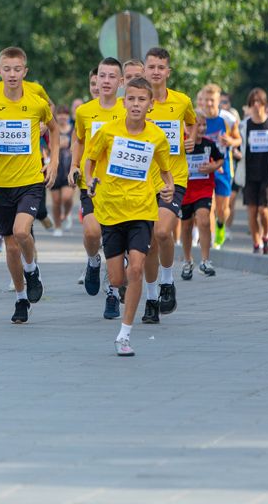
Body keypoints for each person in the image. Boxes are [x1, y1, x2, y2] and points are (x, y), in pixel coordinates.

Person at [83, 77, 174, 356]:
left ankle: (124, 334)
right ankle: (107, 268)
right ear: (124, 103)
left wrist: (168, 187)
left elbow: (165, 170)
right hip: (110, 211)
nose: (136, 104)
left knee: (136, 269)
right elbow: (90, 160)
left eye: (141, 100)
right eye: (131, 99)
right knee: (117, 279)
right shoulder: (108, 132)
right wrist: (89, 181)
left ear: (150, 104)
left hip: (142, 210)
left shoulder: (156, 137)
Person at [0, 46, 57, 324]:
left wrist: (54, 162)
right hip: (2, 183)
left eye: (17, 69)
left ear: (25, 71)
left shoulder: (36, 101)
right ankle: (21, 299)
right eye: (6, 69)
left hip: (31, 180)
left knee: (23, 232)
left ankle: (32, 269)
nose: (12, 74)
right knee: (11, 248)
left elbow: (54, 129)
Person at [141, 46, 196, 323]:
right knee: (149, 242)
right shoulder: (137, 102)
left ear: (168, 71)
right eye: (151, 67)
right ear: (144, 70)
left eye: (161, 67)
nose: (156, 72)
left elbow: (194, 124)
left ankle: (167, 280)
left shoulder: (181, 101)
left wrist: (191, 139)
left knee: (162, 232)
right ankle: (151, 300)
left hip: (173, 177)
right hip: (142, 181)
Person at [71, 58, 124, 299]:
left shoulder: (127, 109)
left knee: (115, 242)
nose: (105, 81)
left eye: (112, 76)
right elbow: (79, 140)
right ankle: (93, 261)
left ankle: (112, 294)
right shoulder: (84, 111)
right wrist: (74, 165)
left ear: (121, 81)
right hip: (91, 183)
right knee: (92, 233)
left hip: (121, 185)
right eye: (102, 76)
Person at [197, 84, 240, 247]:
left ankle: (221, 224)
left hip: (224, 167)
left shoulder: (227, 119)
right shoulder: (198, 118)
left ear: (218, 101)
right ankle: (210, 238)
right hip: (205, 168)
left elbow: (239, 139)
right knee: (209, 206)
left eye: (212, 101)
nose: (209, 104)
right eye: (206, 100)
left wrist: (231, 141)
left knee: (223, 209)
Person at [236, 87, 268, 252]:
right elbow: (237, 143)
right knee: (252, 211)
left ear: (264, 104)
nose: (256, 105)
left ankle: (266, 235)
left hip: (267, 172)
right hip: (249, 172)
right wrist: (236, 151)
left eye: (259, 102)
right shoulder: (243, 125)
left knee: (264, 210)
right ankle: (256, 242)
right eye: (253, 103)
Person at [179, 128, 223, 279]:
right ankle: (187, 260)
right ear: (185, 127)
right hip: (184, 189)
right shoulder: (181, 143)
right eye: (193, 125)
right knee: (186, 226)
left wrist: (213, 167)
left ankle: (205, 260)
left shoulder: (209, 144)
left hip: (203, 188)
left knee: (204, 220)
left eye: (203, 124)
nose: (200, 128)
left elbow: (220, 159)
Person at [49, 106, 75, 234]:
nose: (62, 117)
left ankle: (67, 212)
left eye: (65, 114)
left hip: (68, 169)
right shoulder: (52, 130)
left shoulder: (72, 130)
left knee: (66, 197)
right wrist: (57, 147)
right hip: (55, 169)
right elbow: (47, 148)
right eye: (60, 114)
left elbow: (78, 145)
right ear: (56, 116)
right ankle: (58, 226)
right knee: (56, 201)